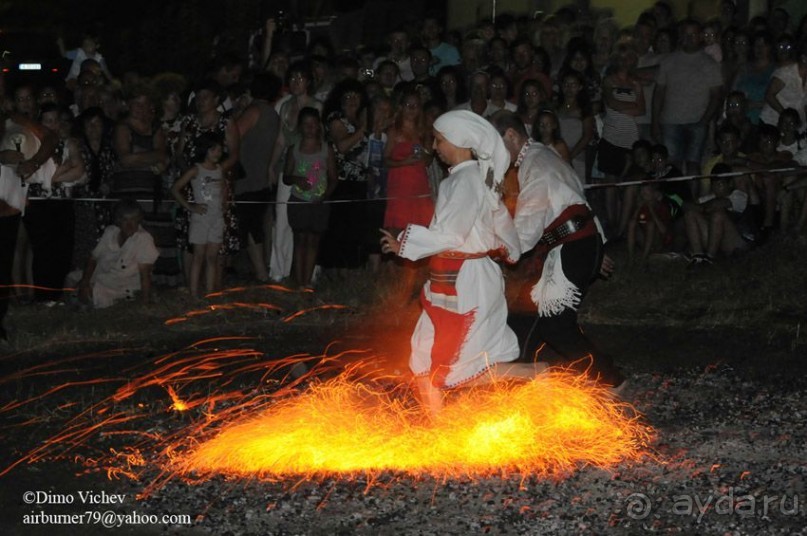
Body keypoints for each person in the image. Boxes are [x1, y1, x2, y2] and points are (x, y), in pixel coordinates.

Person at [379, 110, 530, 416]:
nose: (434, 147)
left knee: (459, 364)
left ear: (459, 140)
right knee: (426, 355)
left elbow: (452, 233)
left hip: (468, 281)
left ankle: (539, 376)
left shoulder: (468, 180)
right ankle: (437, 427)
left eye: (439, 140)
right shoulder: (463, 179)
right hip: (450, 278)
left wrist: (405, 242)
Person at [489, 110, 625, 391]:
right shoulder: (542, 156)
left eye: (494, 143)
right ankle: (516, 377)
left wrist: (501, 247)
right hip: (573, 246)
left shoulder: (536, 164)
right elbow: (576, 197)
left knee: (555, 325)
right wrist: (597, 246)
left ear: (510, 135)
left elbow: (528, 226)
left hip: (572, 247)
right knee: (527, 311)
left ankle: (611, 379)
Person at [283, 108, 337, 289]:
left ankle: (307, 282)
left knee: (313, 241)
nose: (310, 128)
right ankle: (299, 282)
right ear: (300, 127)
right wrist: (296, 179)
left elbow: (333, 178)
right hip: (299, 200)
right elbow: (286, 177)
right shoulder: (294, 150)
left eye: (313, 124)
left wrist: (324, 196)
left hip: (319, 203)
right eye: (306, 124)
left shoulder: (326, 150)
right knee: (300, 240)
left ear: (319, 126)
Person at [74, 198, 159, 308]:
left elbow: (145, 274)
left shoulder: (143, 239)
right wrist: (85, 282)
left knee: (86, 296)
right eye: (125, 220)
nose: (129, 225)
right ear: (118, 221)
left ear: (139, 220)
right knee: (73, 280)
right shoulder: (110, 232)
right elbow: (93, 258)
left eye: (133, 220)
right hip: (103, 277)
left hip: (123, 286)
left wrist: (145, 301)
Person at [171, 133, 226, 298]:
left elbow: (223, 188)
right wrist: (190, 206)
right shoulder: (196, 169)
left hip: (217, 218)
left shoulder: (219, 170)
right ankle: (194, 294)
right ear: (205, 150)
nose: (217, 153)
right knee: (198, 257)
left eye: (219, 150)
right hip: (201, 219)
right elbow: (175, 188)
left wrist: (224, 203)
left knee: (212, 257)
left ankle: (209, 294)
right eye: (213, 150)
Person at [383, 91, 434, 234]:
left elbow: (428, 160)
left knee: (421, 230)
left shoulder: (423, 132)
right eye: (408, 105)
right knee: (397, 230)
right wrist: (404, 162)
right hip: (400, 186)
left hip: (419, 184)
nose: (411, 109)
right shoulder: (394, 131)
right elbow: (385, 160)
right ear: (401, 107)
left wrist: (424, 155)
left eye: (415, 105)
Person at [683, 164, 750, 267]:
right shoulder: (711, 197)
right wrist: (702, 208)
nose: (715, 188)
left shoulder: (739, 196)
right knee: (690, 214)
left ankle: (709, 258)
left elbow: (718, 204)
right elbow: (686, 205)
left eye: (719, 184)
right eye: (713, 185)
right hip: (718, 242)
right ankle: (698, 256)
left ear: (730, 183)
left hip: (736, 243)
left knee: (718, 215)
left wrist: (702, 208)